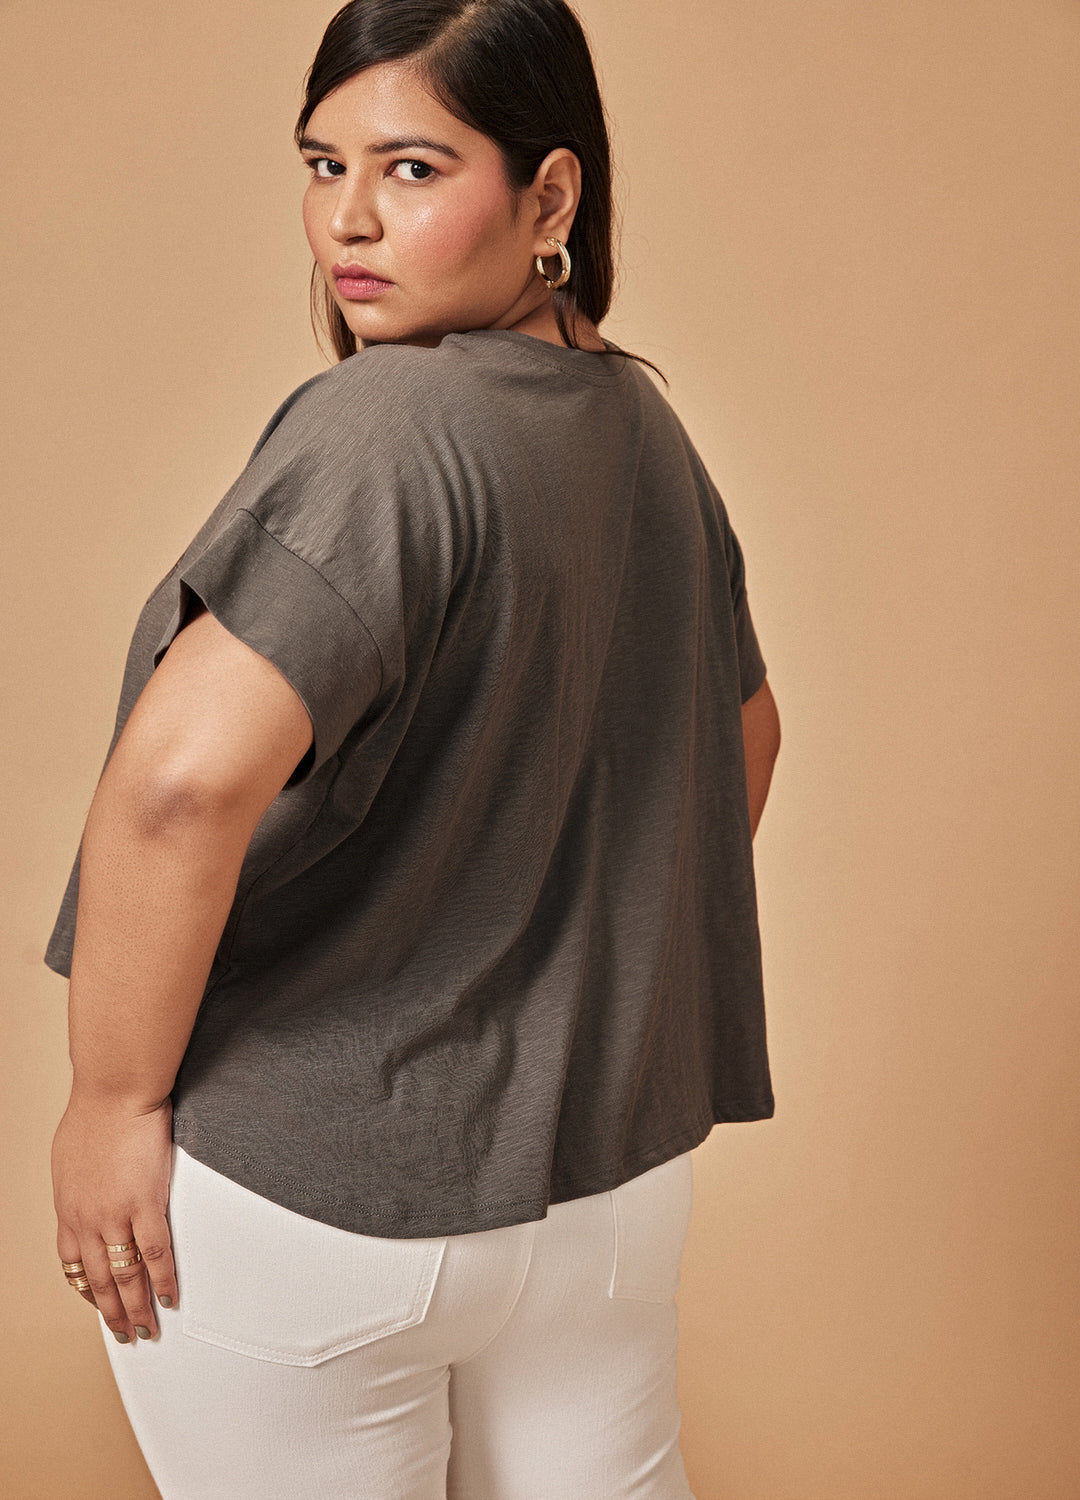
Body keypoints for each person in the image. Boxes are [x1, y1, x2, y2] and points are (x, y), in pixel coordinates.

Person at [46, 0, 781, 1495]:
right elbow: (744, 741)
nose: (349, 221)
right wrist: (547, 960)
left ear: (550, 196)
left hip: (318, 1198)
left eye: (414, 168)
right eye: (325, 166)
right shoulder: (648, 438)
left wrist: (111, 1104)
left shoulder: (386, 429)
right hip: (598, 1201)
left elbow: (179, 785)